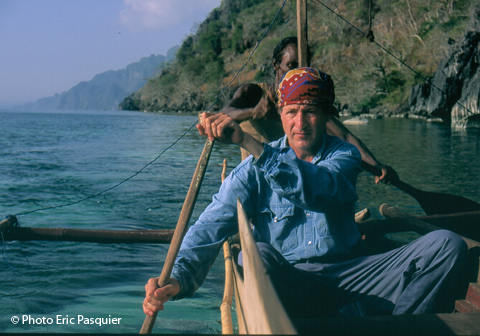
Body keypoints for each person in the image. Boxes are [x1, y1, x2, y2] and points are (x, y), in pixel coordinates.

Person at [143, 68, 467, 319]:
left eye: (310, 111)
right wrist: (178, 278)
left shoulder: (344, 156)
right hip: (292, 282)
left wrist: (246, 142)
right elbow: (207, 230)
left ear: (327, 115)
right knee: (254, 256)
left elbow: (320, 191)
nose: (301, 123)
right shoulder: (251, 172)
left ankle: (399, 327)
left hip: (351, 277)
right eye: (291, 112)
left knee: (446, 244)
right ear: (281, 114)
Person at [221, 36, 397, 184]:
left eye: (303, 66)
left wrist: (376, 167)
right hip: (258, 185)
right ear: (276, 65)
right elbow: (223, 115)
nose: (297, 73)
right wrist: (253, 112)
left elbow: (344, 136)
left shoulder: (310, 102)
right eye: (291, 65)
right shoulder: (254, 93)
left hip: (295, 185)